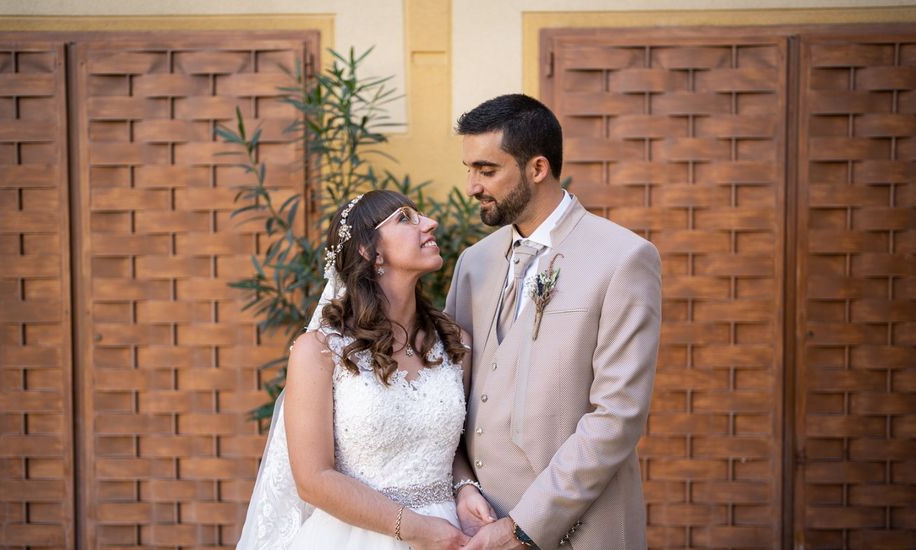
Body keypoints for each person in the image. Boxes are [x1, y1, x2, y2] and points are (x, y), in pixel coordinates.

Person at [445, 94, 662, 549]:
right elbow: (449, 394)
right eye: (469, 170)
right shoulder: (473, 263)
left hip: (581, 529)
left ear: (537, 168)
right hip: (477, 526)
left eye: (487, 171)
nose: (471, 186)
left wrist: (525, 526)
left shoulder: (622, 258)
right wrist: (463, 486)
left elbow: (617, 416)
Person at [236, 190, 495, 549]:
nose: (430, 223)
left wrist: (465, 488)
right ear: (368, 251)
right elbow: (313, 479)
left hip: (450, 534)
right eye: (406, 218)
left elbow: (449, 449)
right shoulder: (320, 351)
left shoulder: (455, 345)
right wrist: (416, 528)